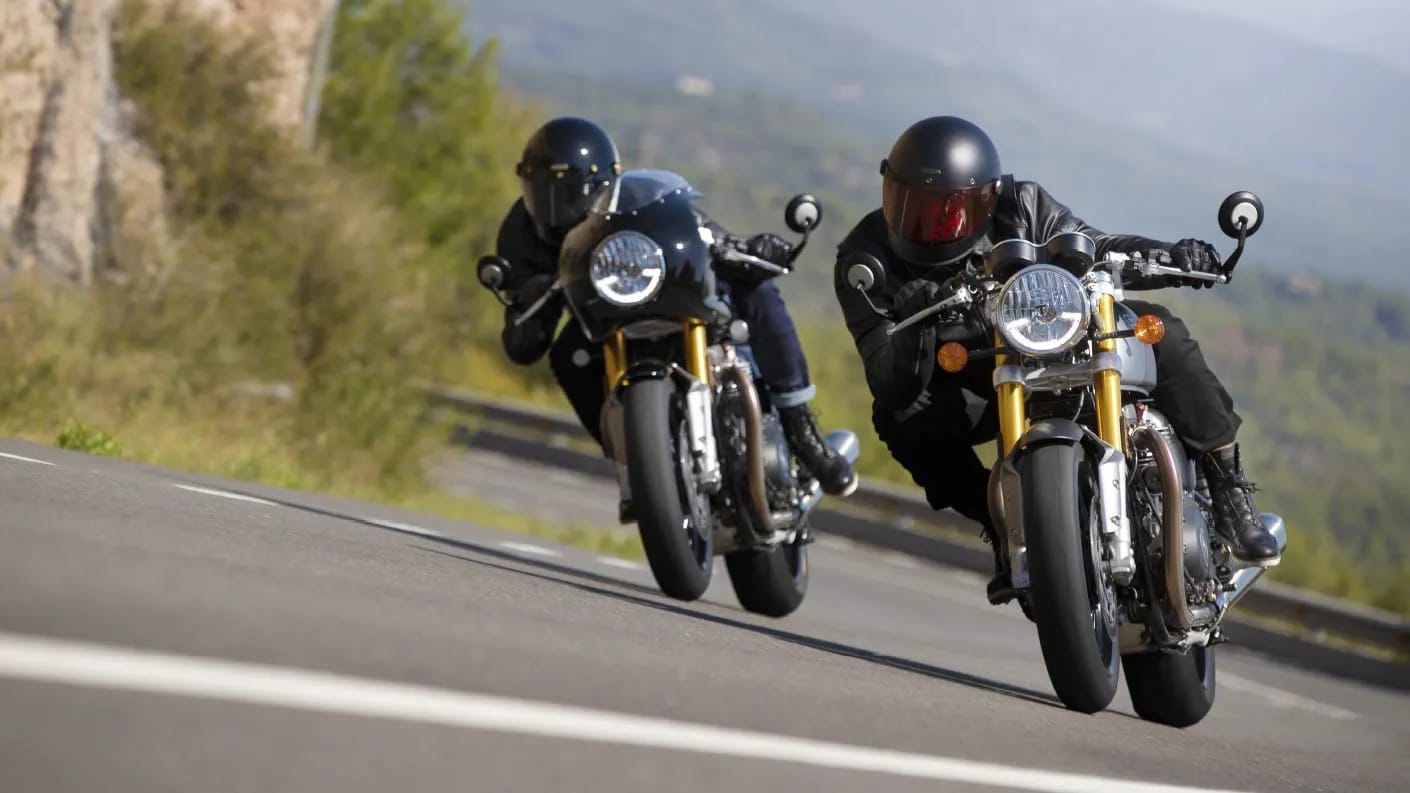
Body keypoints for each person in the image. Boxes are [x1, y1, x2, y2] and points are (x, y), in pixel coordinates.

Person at [832, 115, 1280, 602]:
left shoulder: (1021, 205)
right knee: (899, 417)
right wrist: (915, 329)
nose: (931, 225)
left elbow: (1092, 246)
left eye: (950, 212)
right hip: (976, 374)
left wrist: (1171, 255)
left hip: (1056, 336)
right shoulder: (865, 261)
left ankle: (1228, 486)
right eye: (913, 205)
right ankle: (1003, 523)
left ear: (986, 198)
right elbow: (885, 377)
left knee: (1159, 328)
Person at [491, 117, 857, 520]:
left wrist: (739, 244)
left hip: (665, 299)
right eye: (543, 190)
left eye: (569, 191)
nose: (558, 208)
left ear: (603, 186)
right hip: (600, 327)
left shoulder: (635, 202)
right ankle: (634, 466)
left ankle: (802, 430)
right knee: (567, 355)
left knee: (758, 291)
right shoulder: (519, 233)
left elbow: (695, 228)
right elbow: (521, 344)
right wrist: (530, 301)